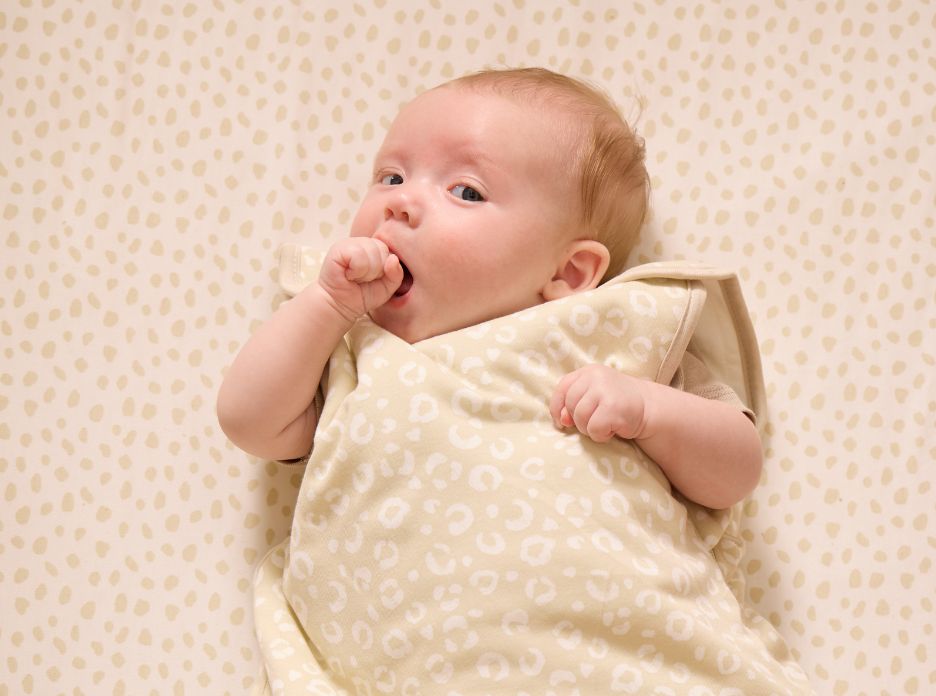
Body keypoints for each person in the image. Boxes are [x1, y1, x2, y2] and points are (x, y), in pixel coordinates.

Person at [216, 67, 761, 510]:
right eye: (391, 176)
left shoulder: (609, 341)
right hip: (408, 638)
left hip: (611, 634)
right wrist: (327, 305)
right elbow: (249, 420)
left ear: (568, 275)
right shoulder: (350, 350)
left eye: (465, 191)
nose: (400, 201)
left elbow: (736, 472)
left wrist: (647, 410)